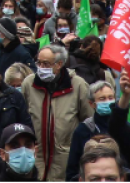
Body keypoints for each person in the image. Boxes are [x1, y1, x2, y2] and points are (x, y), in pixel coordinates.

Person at [21, 44, 93, 181]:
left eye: (46, 63)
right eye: (39, 63)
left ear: (59, 64)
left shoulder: (77, 85)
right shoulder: (29, 84)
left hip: (65, 161)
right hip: (35, 160)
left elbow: (89, 121)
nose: (41, 67)